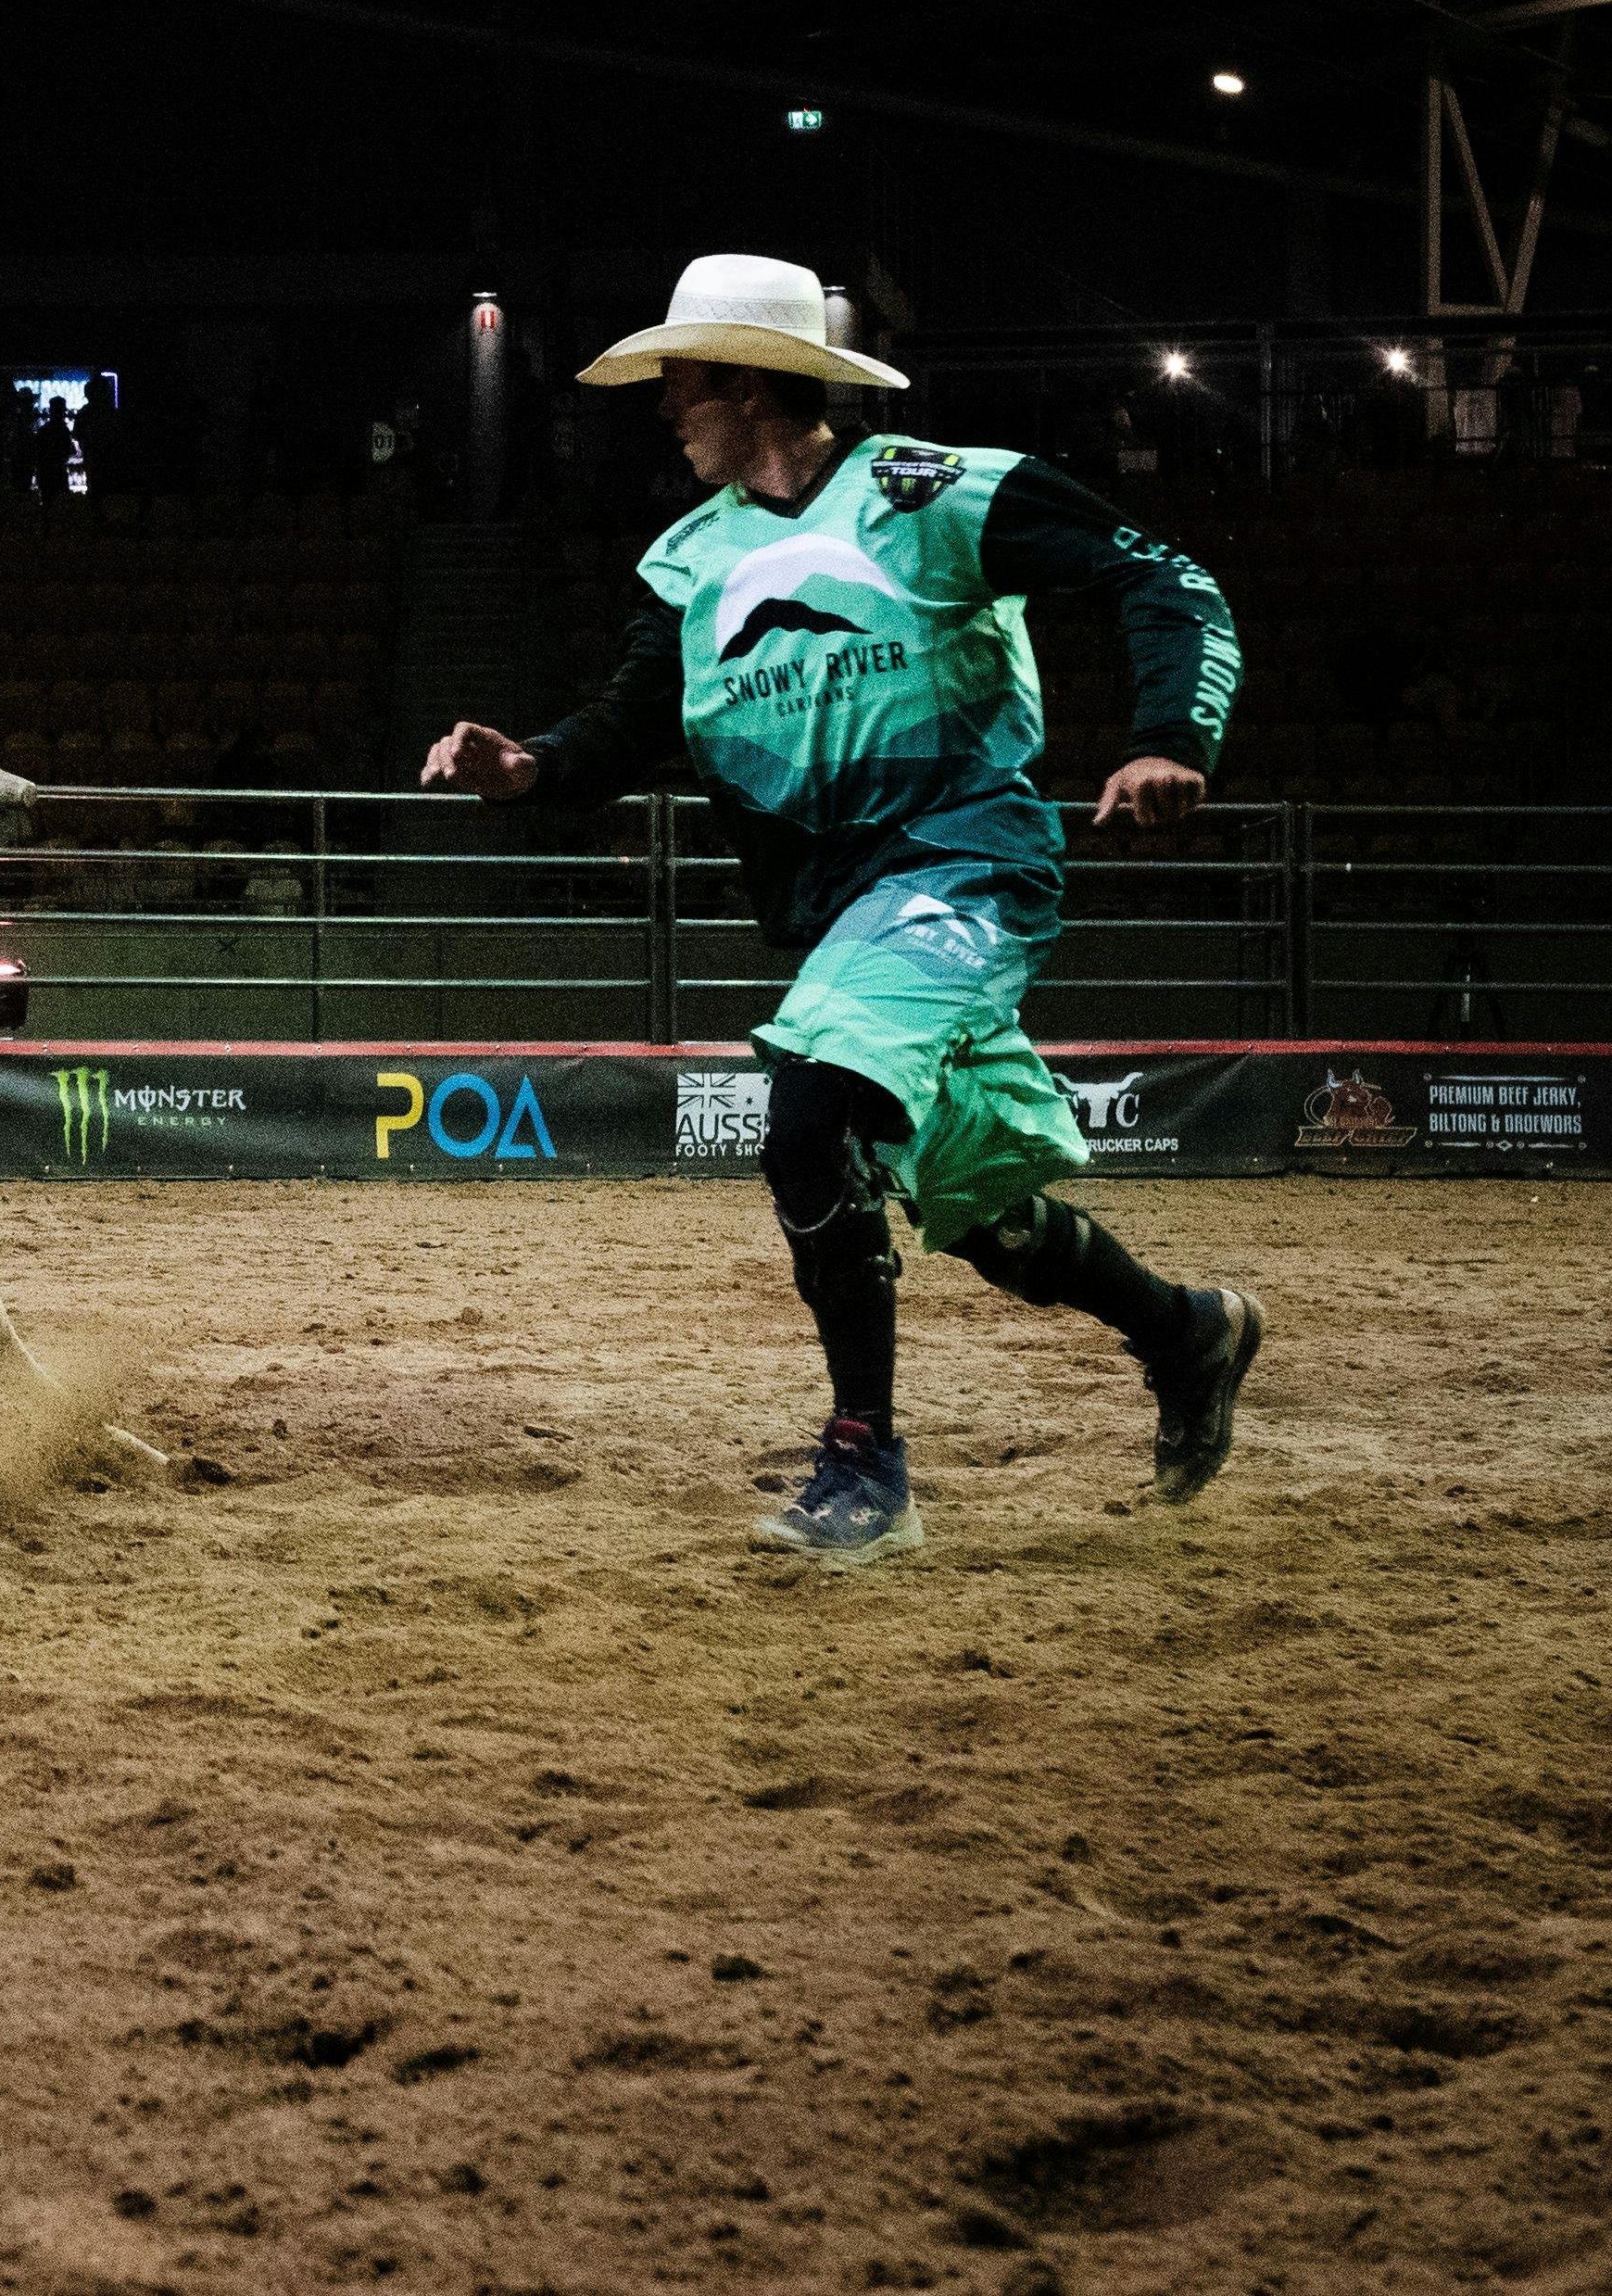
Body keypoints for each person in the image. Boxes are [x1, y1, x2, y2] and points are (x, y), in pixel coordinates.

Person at [421, 255, 1261, 1561]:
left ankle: (865, 1466)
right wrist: (527, 765)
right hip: (853, 913)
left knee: (808, 1112)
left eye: (680, 379)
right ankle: (1185, 1331)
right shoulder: (688, 560)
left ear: (750, 383)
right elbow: (623, 727)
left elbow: (1168, 581)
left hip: (965, 864)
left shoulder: (936, 493)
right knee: (984, 1213)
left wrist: (1170, 740)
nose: (663, 407)